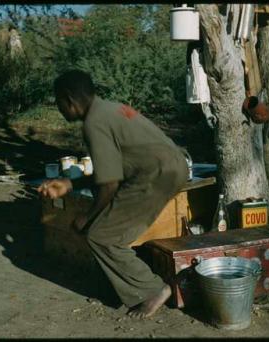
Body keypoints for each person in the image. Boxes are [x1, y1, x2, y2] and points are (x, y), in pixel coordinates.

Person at [38, 70, 188, 318]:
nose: (60, 109)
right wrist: (69, 184)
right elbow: (112, 172)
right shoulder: (110, 109)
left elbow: (109, 185)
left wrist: (87, 217)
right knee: (109, 229)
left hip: (154, 176)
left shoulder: (93, 123)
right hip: (173, 167)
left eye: (58, 103)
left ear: (69, 100)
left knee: (101, 235)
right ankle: (127, 283)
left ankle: (153, 290)